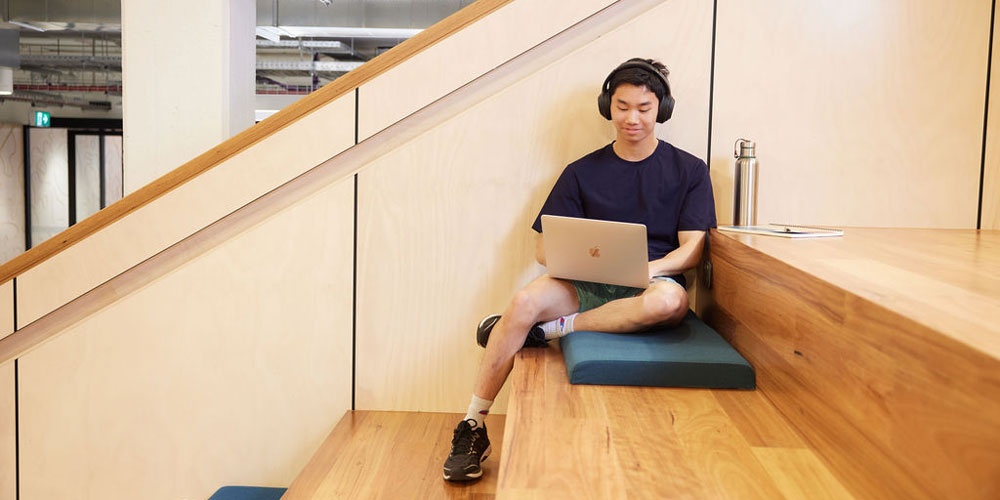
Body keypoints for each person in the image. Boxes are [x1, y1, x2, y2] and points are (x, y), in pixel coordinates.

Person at [442, 58, 717, 482]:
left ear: (661, 109)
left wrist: (648, 268)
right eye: (622, 106)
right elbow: (542, 248)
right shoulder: (581, 172)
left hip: (652, 284)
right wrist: (585, 264)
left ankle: (547, 332)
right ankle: (473, 424)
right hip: (588, 284)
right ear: (608, 106)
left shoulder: (690, 170)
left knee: (670, 299)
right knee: (525, 300)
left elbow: (693, 248)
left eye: (644, 108)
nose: (632, 118)